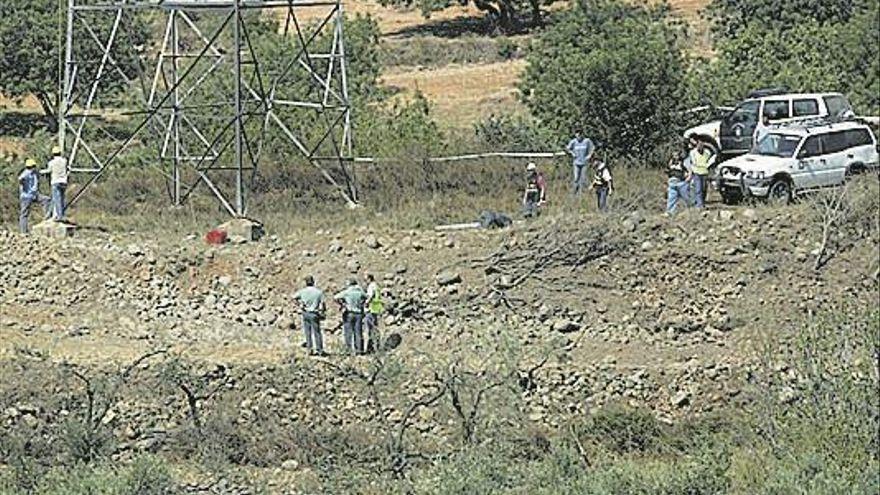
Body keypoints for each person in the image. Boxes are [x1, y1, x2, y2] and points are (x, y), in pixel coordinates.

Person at [293, 276, 327, 356]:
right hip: (315, 313)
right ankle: (319, 350)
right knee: (317, 332)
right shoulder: (318, 292)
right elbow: (322, 304)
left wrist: (300, 305)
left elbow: (293, 297)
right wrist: (323, 311)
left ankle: (309, 349)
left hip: (305, 313)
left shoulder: (302, 291)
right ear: (313, 282)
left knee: (307, 332)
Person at [334, 278, 367, 355]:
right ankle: (359, 350)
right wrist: (362, 303)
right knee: (358, 332)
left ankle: (348, 350)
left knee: (348, 332)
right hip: (358, 313)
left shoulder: (347, 292)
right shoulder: (360, 292)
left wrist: (342, 304)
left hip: (349, 312)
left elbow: (336, 297)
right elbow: (366, 297)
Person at [18, 159, 51, 234]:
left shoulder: (34, 173)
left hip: (34, 194)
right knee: (24, 213)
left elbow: (41, 173)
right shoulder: (26, 173)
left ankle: (47, 217)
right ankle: (23, 232)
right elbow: (20, 178)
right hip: (26, 196)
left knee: (46, 200)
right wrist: (23, 183)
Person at [42, 146, 69, 222]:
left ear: (53, 154)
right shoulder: (64, 161)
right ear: (60, 153)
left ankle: (59, 216)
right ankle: (59, 214)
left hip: (55, 182)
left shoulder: (51, 162)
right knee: (62, 199)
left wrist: (41, 172)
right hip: (63, 181)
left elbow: (49, 170)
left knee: (57, 199)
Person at [665, 140, 691, 215]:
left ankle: (690, 210)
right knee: (671, 198)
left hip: (681, 183)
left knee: (686, 197)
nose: (675, 157)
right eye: (674, 155)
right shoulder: (670, 162)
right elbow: (667, 171)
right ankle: (670, 212)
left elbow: (689, 171)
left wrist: (688, 178)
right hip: (672, 183)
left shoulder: (683, 162)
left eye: (677, 155)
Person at [566, 129, 594, 195]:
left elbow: (593, 148)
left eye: (579, 135)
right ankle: (574, 192)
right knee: (576, 178)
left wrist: (589, 155)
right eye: (576, 135)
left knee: (583, 178)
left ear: (581, 135)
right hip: (576, 163)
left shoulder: (587, 141)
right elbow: (567, 148)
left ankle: (581, 193)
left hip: (584, 163)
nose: (577, 136)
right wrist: (572, 153)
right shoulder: (573, 142)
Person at [688, 138, 712, 208]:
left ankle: (702, 202)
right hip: (697, 172)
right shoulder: (693, 153)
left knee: (704, 189)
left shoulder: (707, 152)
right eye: (699, 145)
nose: (700, 146)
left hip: (705, 172)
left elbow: (709, 160)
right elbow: (694, 163)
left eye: (702, 145)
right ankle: (699, 205)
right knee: (698, 189)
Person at [364, 273, 384, 353]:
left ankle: (371, 348)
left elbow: (370, 297)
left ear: (369, 279)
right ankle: (376, 346)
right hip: (376, 309)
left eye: (365, 280)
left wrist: (365, 304)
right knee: (374, 328)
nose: (365, 281)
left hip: (370, 309)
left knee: (369, 329)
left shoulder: (371, 287)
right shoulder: (377, 286)